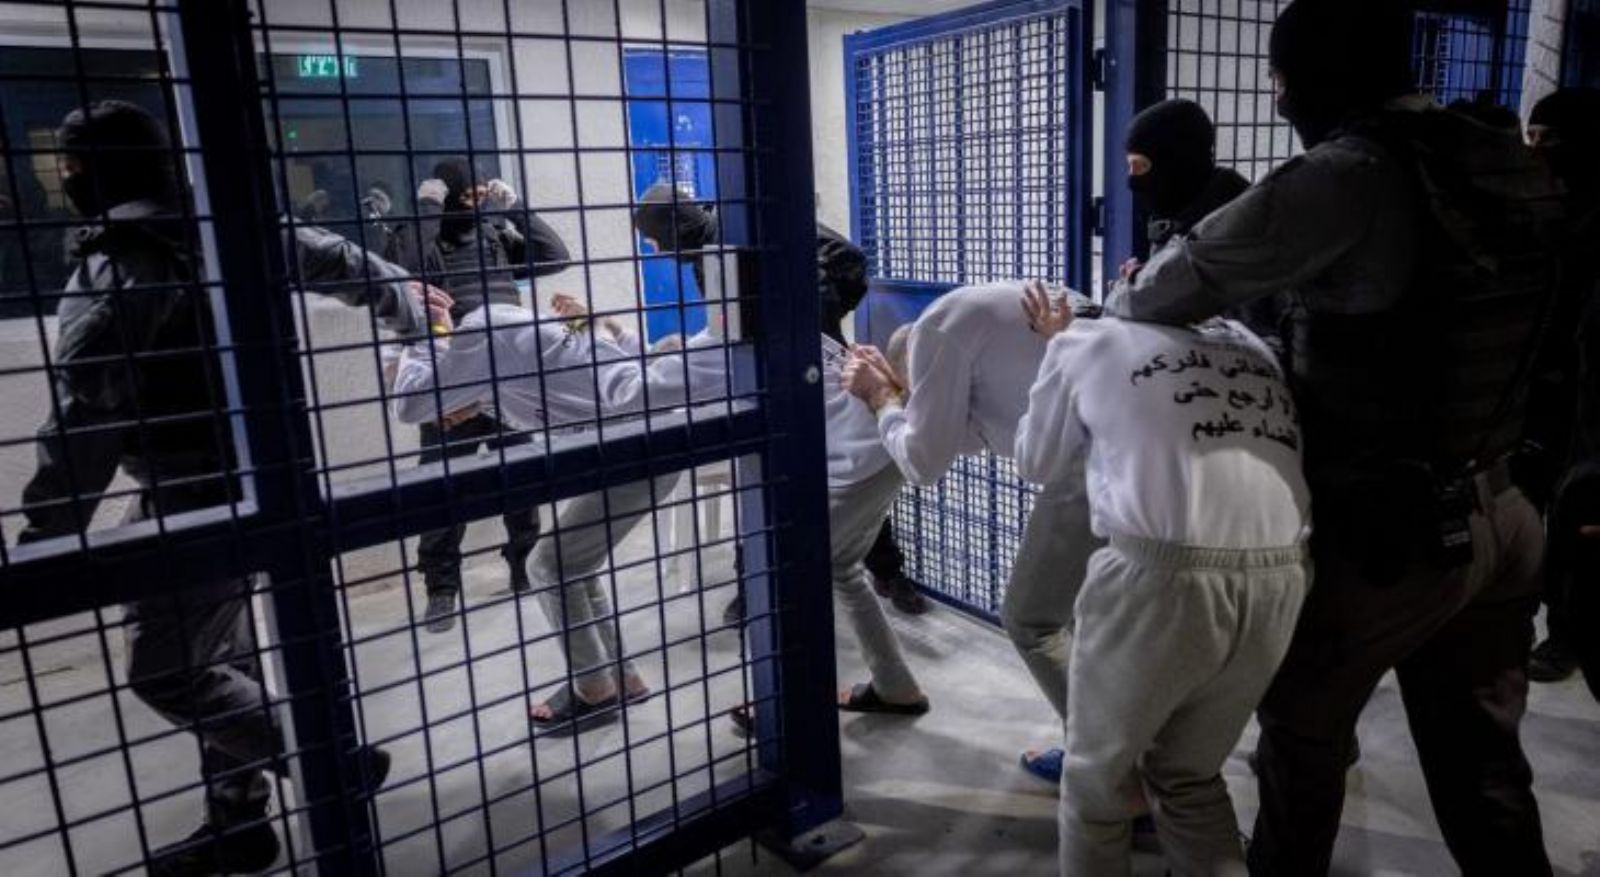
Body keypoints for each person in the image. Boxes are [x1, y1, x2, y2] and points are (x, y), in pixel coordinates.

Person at [1105, 1, 1564, 873]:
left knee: (1301, 736)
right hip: (1507, 508)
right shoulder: (1502, 156)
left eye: (1281, 83)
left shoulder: (1350, 172)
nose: (1279, 101)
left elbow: (1171, 285)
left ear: (1314, 80)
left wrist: (1120, 299)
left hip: (1394, 535)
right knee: (1485, 770)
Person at [15, 100, 392, 877]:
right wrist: (412, 307)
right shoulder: (224, 228)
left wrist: (43, 541)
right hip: (257, 476)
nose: (64, 181)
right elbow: (339, 260)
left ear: (93, 173)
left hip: (191, 491)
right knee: (223, 657)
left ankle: (322, 755)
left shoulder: (125, 264)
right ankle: (239, 821)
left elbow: (86, 417)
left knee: (168, 670)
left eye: (71, 168)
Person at [1014, 282, 1310, 876]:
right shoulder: (1254, 347)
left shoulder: (1086, 340)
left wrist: (1057, 349)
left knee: (1095, 790)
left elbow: (1034, 460)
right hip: (1284, 575)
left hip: (1161, 579)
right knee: (1189, 778)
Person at [387, 291, 728, 728]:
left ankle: (595, 689)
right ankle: (621, 679)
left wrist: (422, 338)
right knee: (572, 565)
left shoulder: (484, 331)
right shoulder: (505, 345)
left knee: (547, 565)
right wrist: (471, 399)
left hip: (639, 451)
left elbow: (411, 404)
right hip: (638, 449)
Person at [632, 184, 929, 617]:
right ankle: (755, 586)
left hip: (820, 373)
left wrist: (811, 318)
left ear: (673, 224)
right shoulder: (710, 251)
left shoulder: (740, 229)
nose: (657, 250)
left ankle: (884, 571)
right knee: (768, 480)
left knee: (841, 472)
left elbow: (848, 258)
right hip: (774, 381)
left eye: (654, 239)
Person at [842, 281, 1102, 772]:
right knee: (1087, 616)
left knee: (1031, 619)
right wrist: (902, 401)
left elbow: (924, 463)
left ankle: (1104, 768)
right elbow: (970, 434)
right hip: (1147, 444)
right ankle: (1117, 749)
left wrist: (882, 400)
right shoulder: (992, 322)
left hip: (1098, 459)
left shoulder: (938, 329)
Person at [384, 157, 570, 633]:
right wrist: (427, 212)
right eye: (467, 197)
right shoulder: (421, 238)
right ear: (444, 197)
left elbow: (555, 256)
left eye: (482, 197)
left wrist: (517, 209)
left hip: (508, 379)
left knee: (521, 479)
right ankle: (441, 588)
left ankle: (524, 568)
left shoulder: (494, 237)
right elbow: (402, 272)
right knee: (443, 488)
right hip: (454, 383)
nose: (476, 205)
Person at [1522, 87, 1600, 684]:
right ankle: (1517, 620)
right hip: (1541, 382)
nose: (1533, 151)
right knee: (1527, 502)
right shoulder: (1540, 208)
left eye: (1545, 140)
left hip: (1589, 391)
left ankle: (1568, 631)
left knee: (1577, 514)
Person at [1125, 99, 1283, 346]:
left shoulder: (1238, 231)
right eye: (1130, 167)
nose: (1132, 181)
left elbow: (1248, 332)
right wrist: (1148, 280)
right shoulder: (1181, 215)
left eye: (1142, 166)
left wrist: (1145, 292)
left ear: (1177, 164)